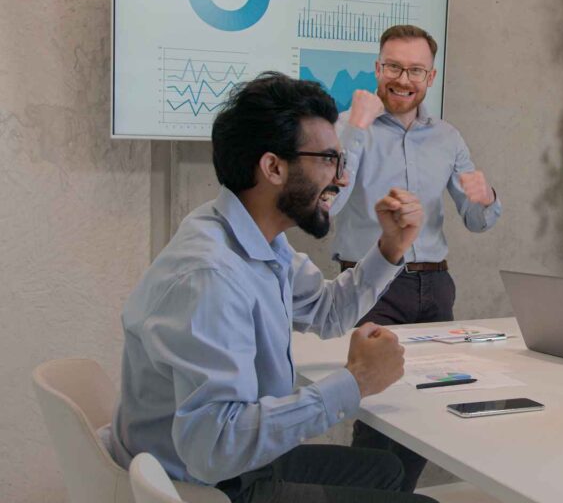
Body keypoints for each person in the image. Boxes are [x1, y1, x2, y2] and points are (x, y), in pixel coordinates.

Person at [110, 72, 437, 503]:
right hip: (208, 486)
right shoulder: (213, 274)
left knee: (385, 469)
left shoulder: (249, 237)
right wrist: (355, 380)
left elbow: (327, 311)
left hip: (215, 464)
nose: (340, 179)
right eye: (329, 160)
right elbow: (215, 448)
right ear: (274, 167)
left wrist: (391, 247)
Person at [329, 24, 501, 490]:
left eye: (415, 70)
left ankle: (394, 496)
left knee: (426, 408)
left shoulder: (447, 136)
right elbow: (328, 206)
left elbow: (477, 220)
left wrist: (484, 197)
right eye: (393, 67)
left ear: (431, 76)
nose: (403, 79)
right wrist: (358, 131)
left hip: (434, 287)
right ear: (377, 68)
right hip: (372, 284)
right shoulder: (348, 126)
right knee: (378, 408)